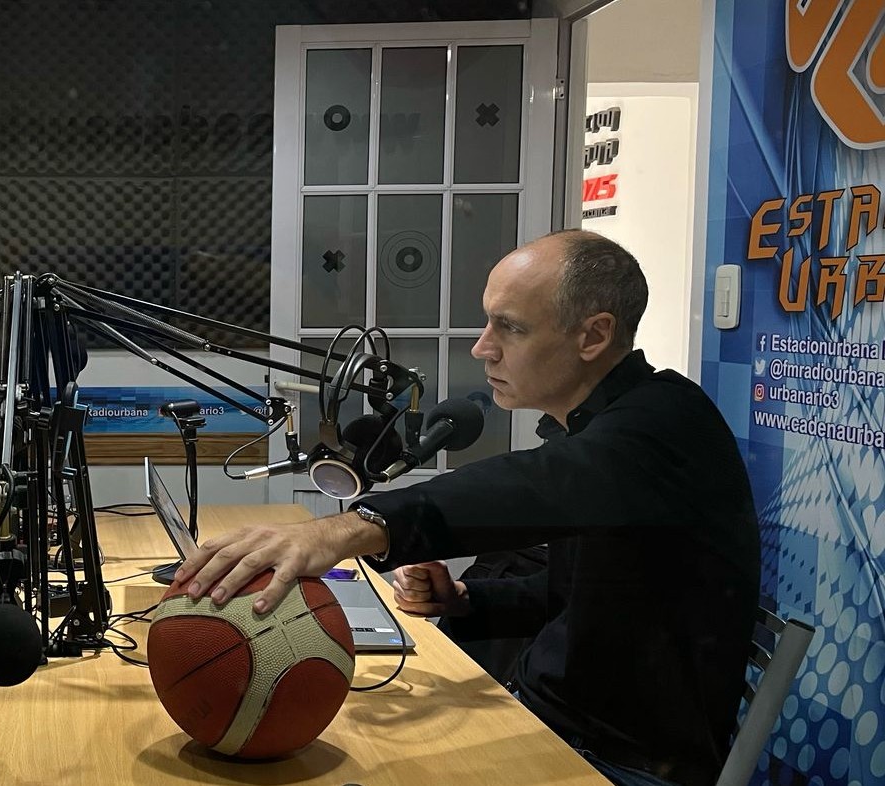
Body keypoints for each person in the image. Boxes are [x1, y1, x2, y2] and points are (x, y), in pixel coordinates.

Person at [175, 230, 758, 786]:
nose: (483, 347)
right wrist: (466, 599)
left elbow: (532, 485)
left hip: (615, 765)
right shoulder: (608, 432)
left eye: (510, 327)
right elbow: (578, 596)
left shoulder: (665, 426)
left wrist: (349, 529)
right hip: (548, 723)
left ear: (593, 336)